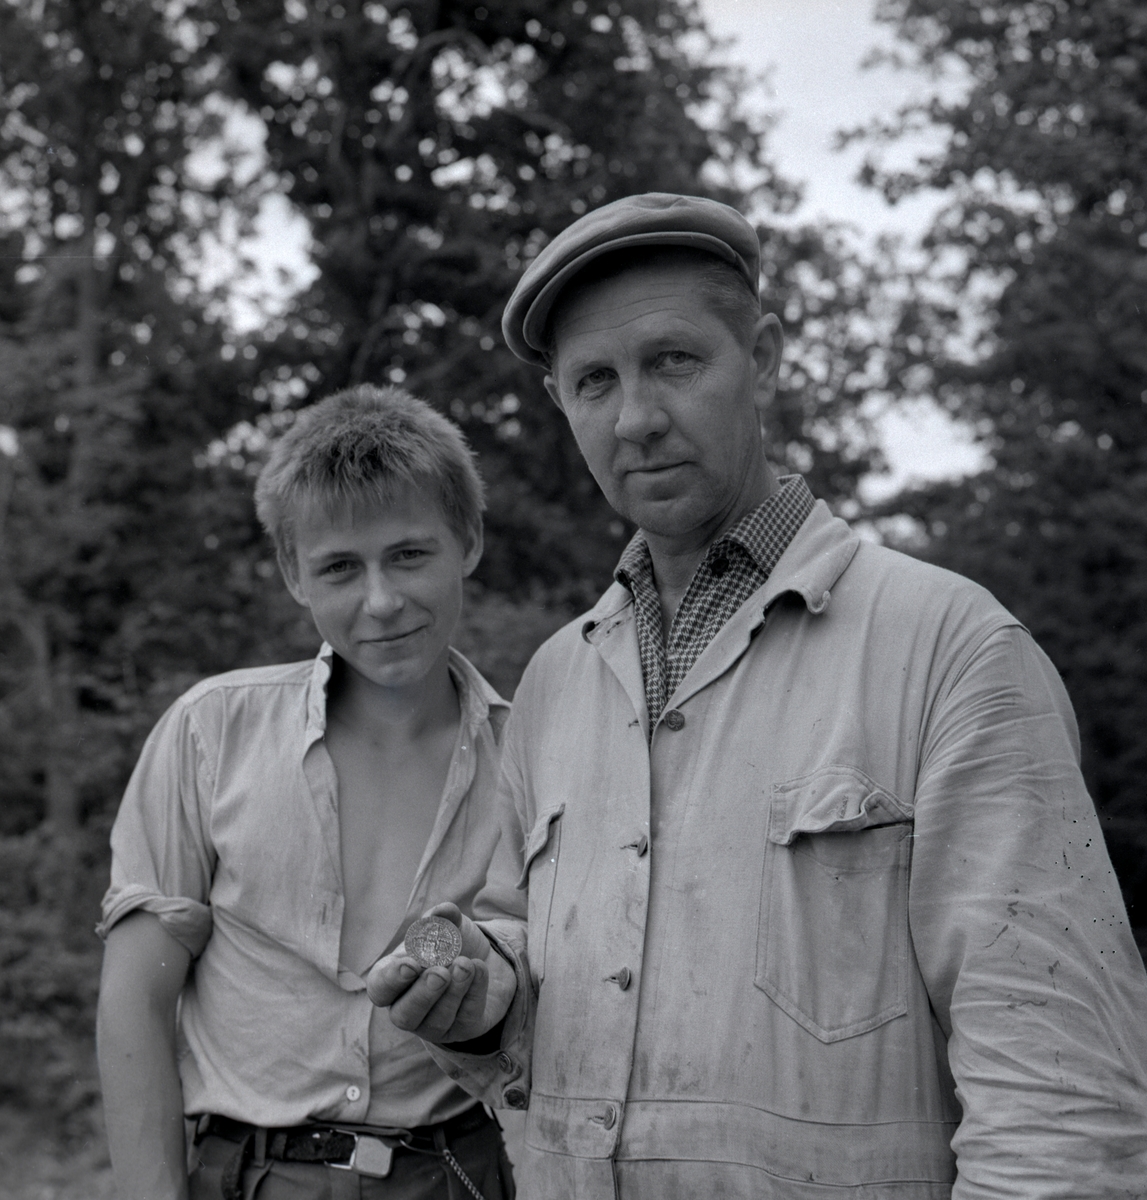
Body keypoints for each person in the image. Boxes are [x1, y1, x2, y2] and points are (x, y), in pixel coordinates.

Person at [366, 193, 1147, 1198]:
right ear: (560, 403)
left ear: (763, 357)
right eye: (594, 381)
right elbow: (532, 988)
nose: (636, 418)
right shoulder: (558, 682)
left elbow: (1059, 1107)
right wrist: (481, 1002)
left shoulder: (951, 648)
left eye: (674, 361)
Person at [96, 384, 518, 1200]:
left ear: (467, 542)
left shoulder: (533, 759)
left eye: (409, 554)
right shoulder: (209, 732)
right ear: (295, 575)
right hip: (244, 1176)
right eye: (340, 568)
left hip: (457, 1175)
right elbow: (134, 1001)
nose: (382, 601)